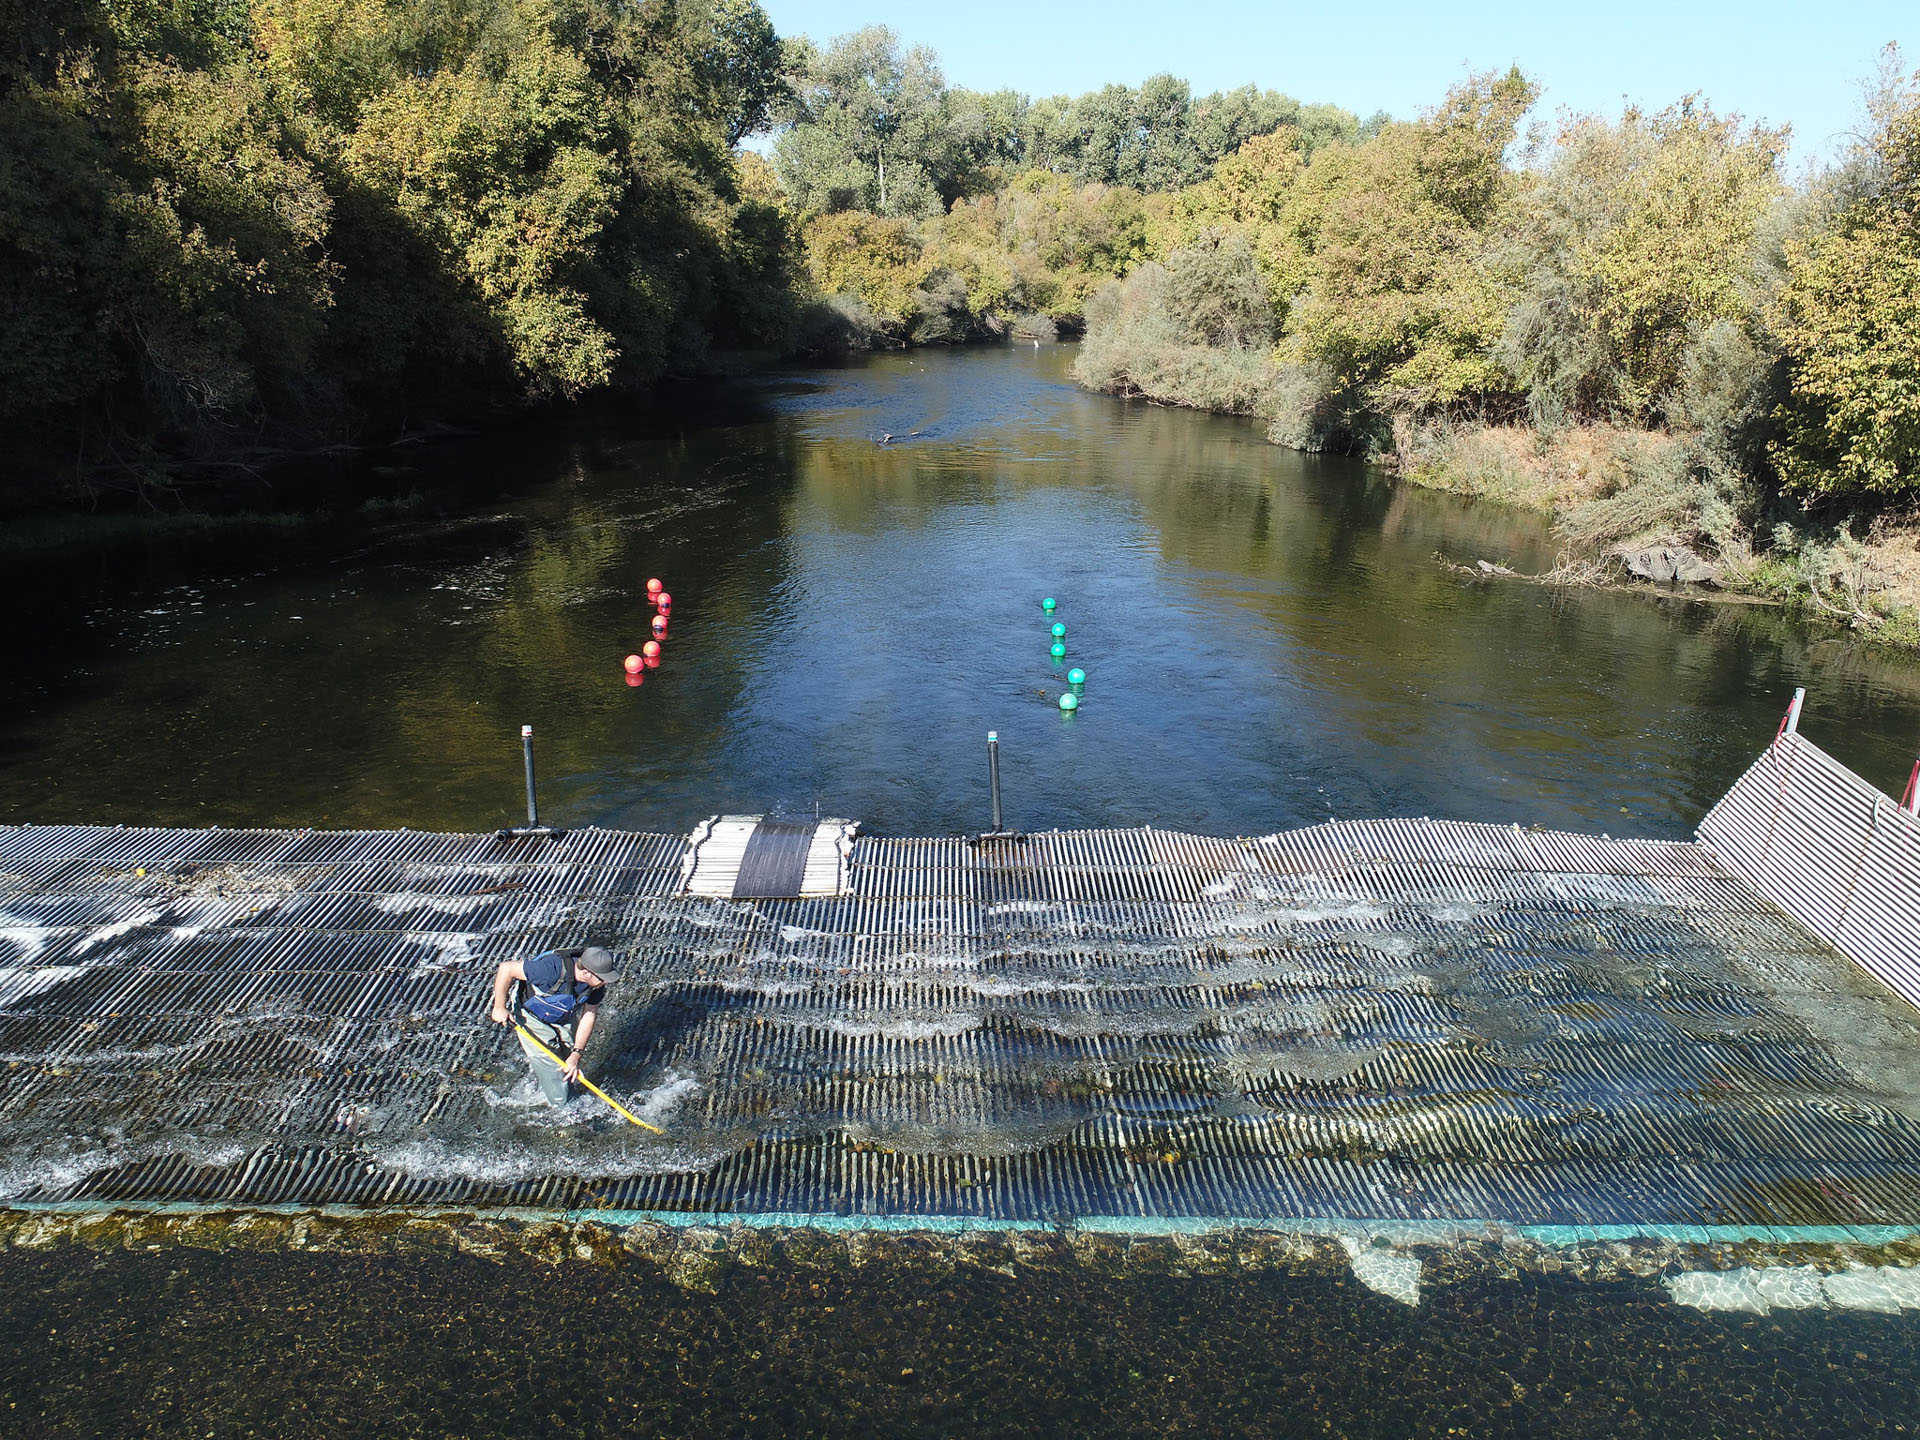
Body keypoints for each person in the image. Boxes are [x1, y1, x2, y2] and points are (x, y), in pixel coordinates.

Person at [489, 945, 620, 1107]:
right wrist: (499, 1007)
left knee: (569, 1056)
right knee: (554, 1067)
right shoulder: (550, 970)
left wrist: (577, 1054)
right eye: (602, 978)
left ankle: (565, 1087)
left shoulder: (596, 986)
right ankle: (564, 1107)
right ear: (586, 972)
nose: (605, 982)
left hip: (563, 1013)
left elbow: (589, 1014)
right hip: (531, 1016)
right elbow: (506, 968)